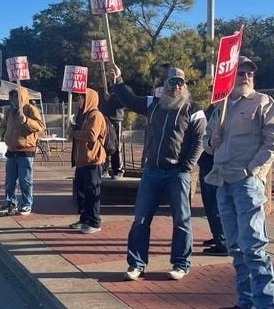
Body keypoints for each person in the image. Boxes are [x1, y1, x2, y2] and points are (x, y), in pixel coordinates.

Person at [204, 56, 274, 309]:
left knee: (254, 246)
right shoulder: (220, 107)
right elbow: (207, 141)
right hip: (222, 181)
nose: (246, 76)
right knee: (236, 247)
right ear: (229, 76)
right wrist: (210, 143)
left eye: (250, 72)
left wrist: (254, 170)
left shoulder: (262, 103)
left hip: (246, 183)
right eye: (240, 72)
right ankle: (247, 302)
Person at [109, 64, 206, 281]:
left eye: (181, 82)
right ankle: (136, 264)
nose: (177, 86)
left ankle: (181, 263)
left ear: (185, 85)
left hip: (178, 173)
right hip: (152, 171)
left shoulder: (194, 109)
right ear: (165, 84)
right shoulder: (153, 104)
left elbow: (200, 140)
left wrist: (187, 166)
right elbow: (130, 100)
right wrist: (119, 79)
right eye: (172, 82)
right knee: (141, 219)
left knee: (182, 220)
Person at [0, 87, 45, 215]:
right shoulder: (9, 111)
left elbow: (40, 126)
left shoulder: (30, 110)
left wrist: (27, 121)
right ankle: (11, 203)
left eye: (17, 96)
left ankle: (27, 204)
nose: (14, 99)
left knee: (25, 180)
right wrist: (4, 134)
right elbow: (2, 126)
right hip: (11, 150)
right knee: (10, 180)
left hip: (26, 149)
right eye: (12, 97)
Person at [68, 89, 107, 234]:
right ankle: (84, 218)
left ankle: (95, 222)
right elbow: (71, 136)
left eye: (82, 98)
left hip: (93, 160)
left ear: (89, 99)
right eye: (78, 98)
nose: (79, 100)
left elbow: (91, 135)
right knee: (81, 192)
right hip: (81, 160)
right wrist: (72, 126)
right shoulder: (81, 116)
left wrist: (76, 133)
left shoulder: (95, 115)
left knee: (92, 192)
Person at [198, 103, 228, 256]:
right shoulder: (214, 109)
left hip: (216, 163)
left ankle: (223, 241)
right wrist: (209, 141)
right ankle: (218, 236)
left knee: (215, 204)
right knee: (209, 203)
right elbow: (207, 135)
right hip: (208, 159)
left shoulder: (228, 109)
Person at [98, 85, 124, 178]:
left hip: (116, 119)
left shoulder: (121, 88)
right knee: (104, 144)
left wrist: (111, 99)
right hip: (104, 119)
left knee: (117, 145)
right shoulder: (103, 88)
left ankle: (118, 170)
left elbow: (124, 102)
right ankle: (104, 169)